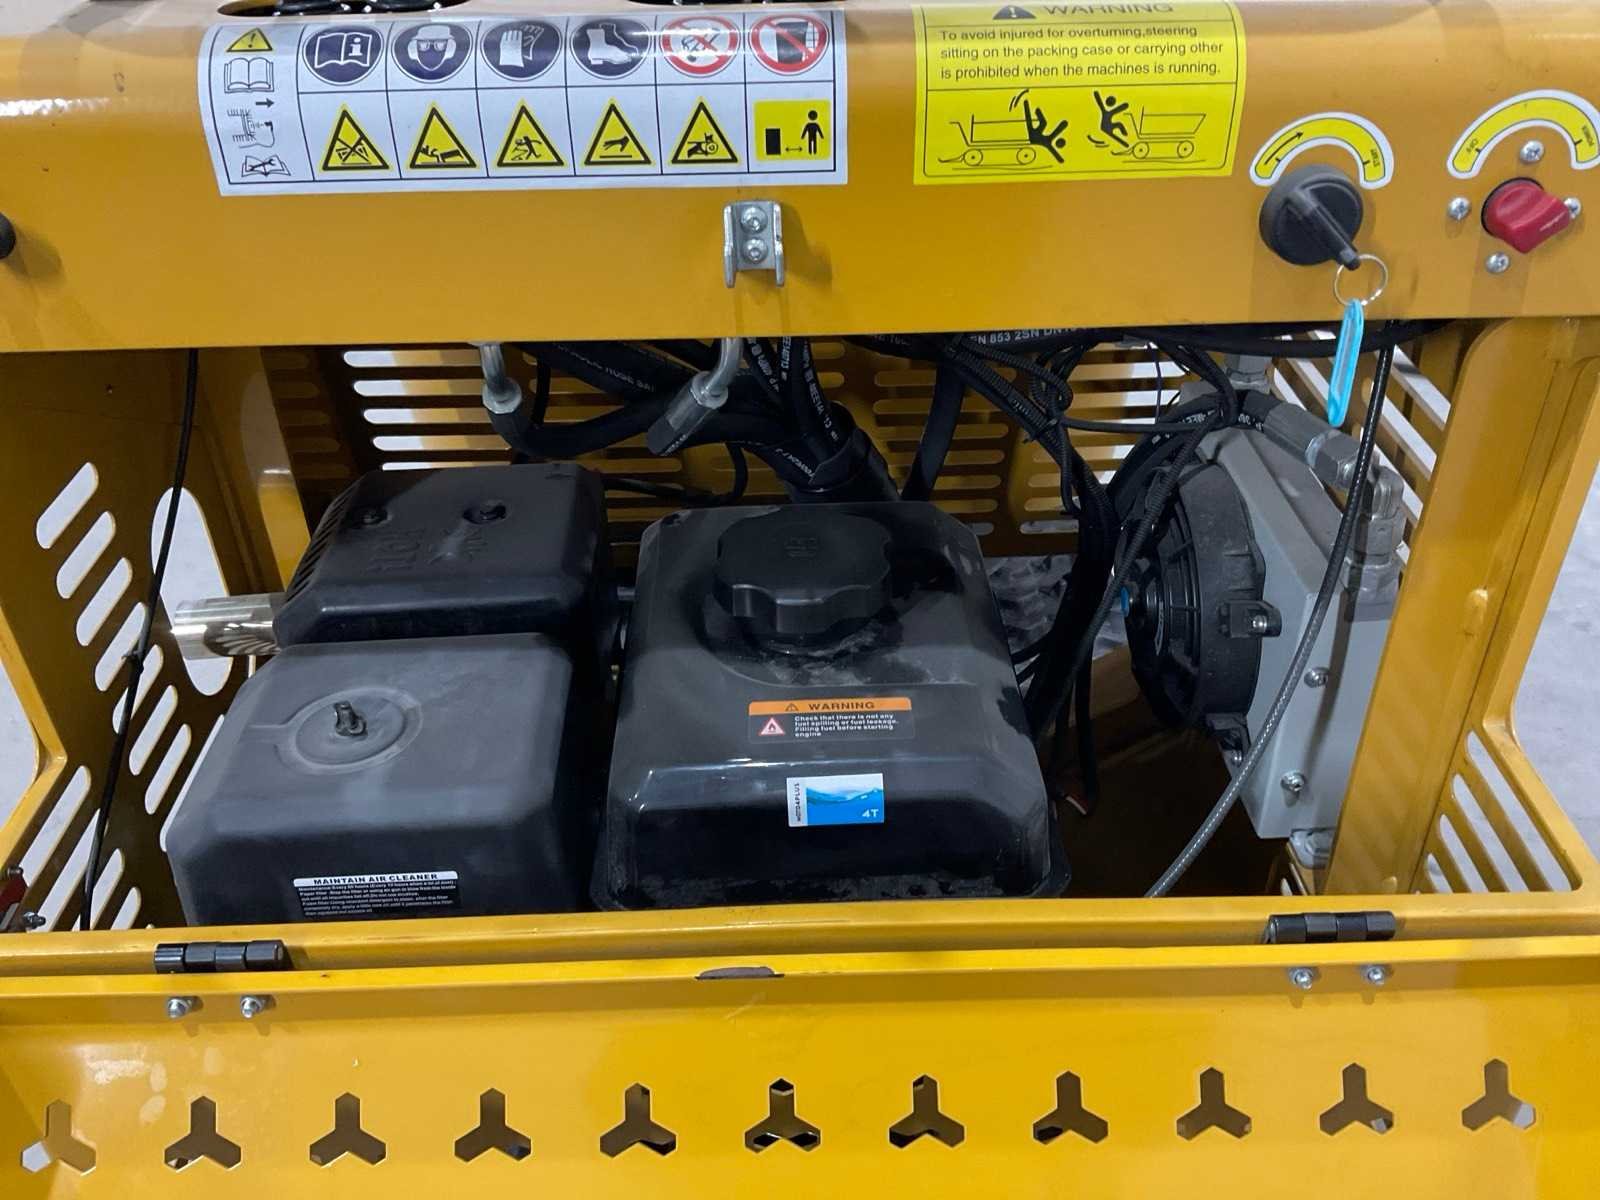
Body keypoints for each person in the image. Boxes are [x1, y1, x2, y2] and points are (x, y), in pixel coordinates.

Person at [1022, 99, 1068, 163]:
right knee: (1043, 123)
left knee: (1043, 123)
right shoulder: (1047, 142)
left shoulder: (1047, 142)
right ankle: (1033, 109)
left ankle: (1032, 109)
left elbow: (1057, 156)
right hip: (1036, 138)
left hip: (1036, 138)